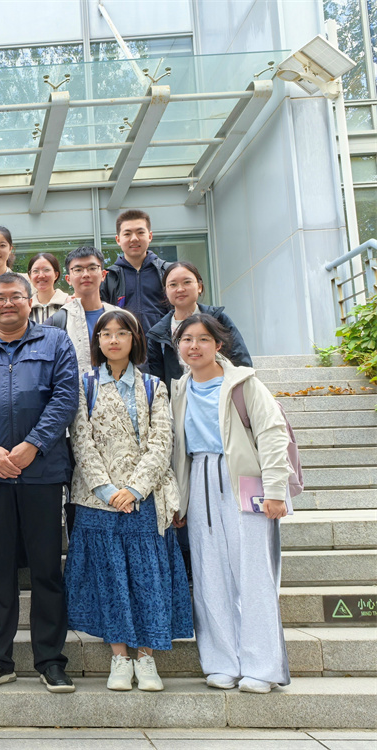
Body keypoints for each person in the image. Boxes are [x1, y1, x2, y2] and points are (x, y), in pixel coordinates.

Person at [0, 272, 79, 693]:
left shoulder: (55, 342)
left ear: (29, 301)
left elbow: (65, 397)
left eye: (15, 297)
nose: (7, 304)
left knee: (46, 569)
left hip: (42, 471)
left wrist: (33, 445)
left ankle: (50, 660)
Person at [64, 309, 192, 693]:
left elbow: (162, 443)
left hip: (145, 497)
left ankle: (146, 657)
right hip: (96, 498)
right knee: (110, 578)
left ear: (135, 339)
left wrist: (134, 489)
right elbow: (81, 441)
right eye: (106, 333)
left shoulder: (154, 386)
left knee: (148, 577)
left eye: (122, 333)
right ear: (97, 341)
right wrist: (107, 489)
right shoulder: (84, 384)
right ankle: (119, 656)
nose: (114, 340)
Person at [170, 314, 291, 694]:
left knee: (254, 575)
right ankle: (222, 661)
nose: (194, 346)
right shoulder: (179, 389)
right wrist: (179, 501)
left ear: (218, 345)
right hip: (199, 479)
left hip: (243, 480)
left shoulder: (244, 383)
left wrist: (276, 490)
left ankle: (262, 667)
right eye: (187, 339)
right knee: (209, 576)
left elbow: (273, 434)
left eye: (203, 339)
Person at [147, 261, 252, 395]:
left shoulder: (219, 319)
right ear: (166, 291)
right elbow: (157, 381)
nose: (180, 289)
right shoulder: (158, 333)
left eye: (187, 282)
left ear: (199, 287)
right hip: (180, 400)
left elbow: (241, 360)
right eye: (173, 285)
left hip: (223, 395)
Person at [45, 247, 118, 373]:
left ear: (103, 275)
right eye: (78, 270)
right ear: (68, 279)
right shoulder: (56, 322)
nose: (86, 274)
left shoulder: (120, 316)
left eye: (92, 268)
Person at [99, 209, 169, 332]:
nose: (134, 239)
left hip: (162, 342)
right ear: (118, 240)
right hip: (122, 341)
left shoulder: (166, 272)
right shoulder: (109, 277)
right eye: (127, 234)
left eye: (140, 232)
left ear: (150, 236)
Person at [28, 252, 70, 324]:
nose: (41, 275)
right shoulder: (25, 307)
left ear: (56, 275)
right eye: (35, 271)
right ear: (30, 276)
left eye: (46, 270)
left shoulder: (68, 303)